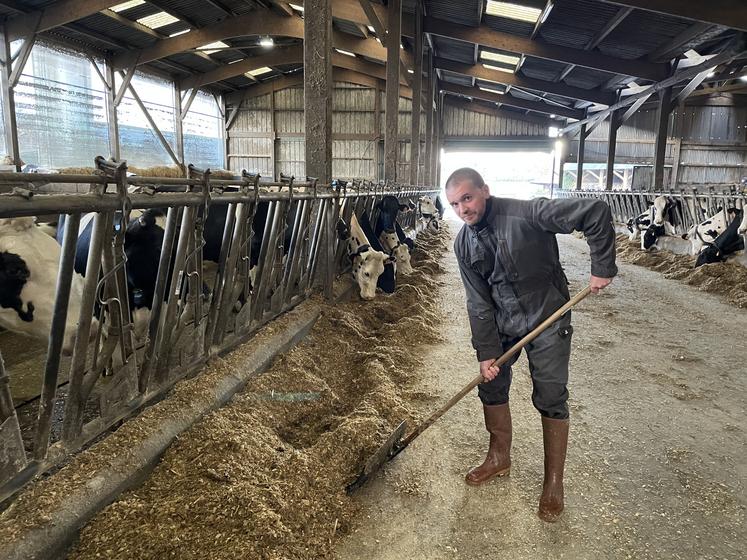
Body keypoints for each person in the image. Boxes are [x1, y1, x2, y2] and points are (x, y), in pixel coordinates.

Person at [445, 167, 617, 523]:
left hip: (548, 314)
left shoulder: (528, 213)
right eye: (454, 204)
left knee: (551, 395)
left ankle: (554, 482)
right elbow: (478, 302)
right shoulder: (463, 243)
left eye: (467, 197)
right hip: (503, 321)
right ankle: (498, 458)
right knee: (491, 385)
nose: (463, 208)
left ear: (485, 191)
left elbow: (595, 212)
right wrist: (487, 353)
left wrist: (602, 265)